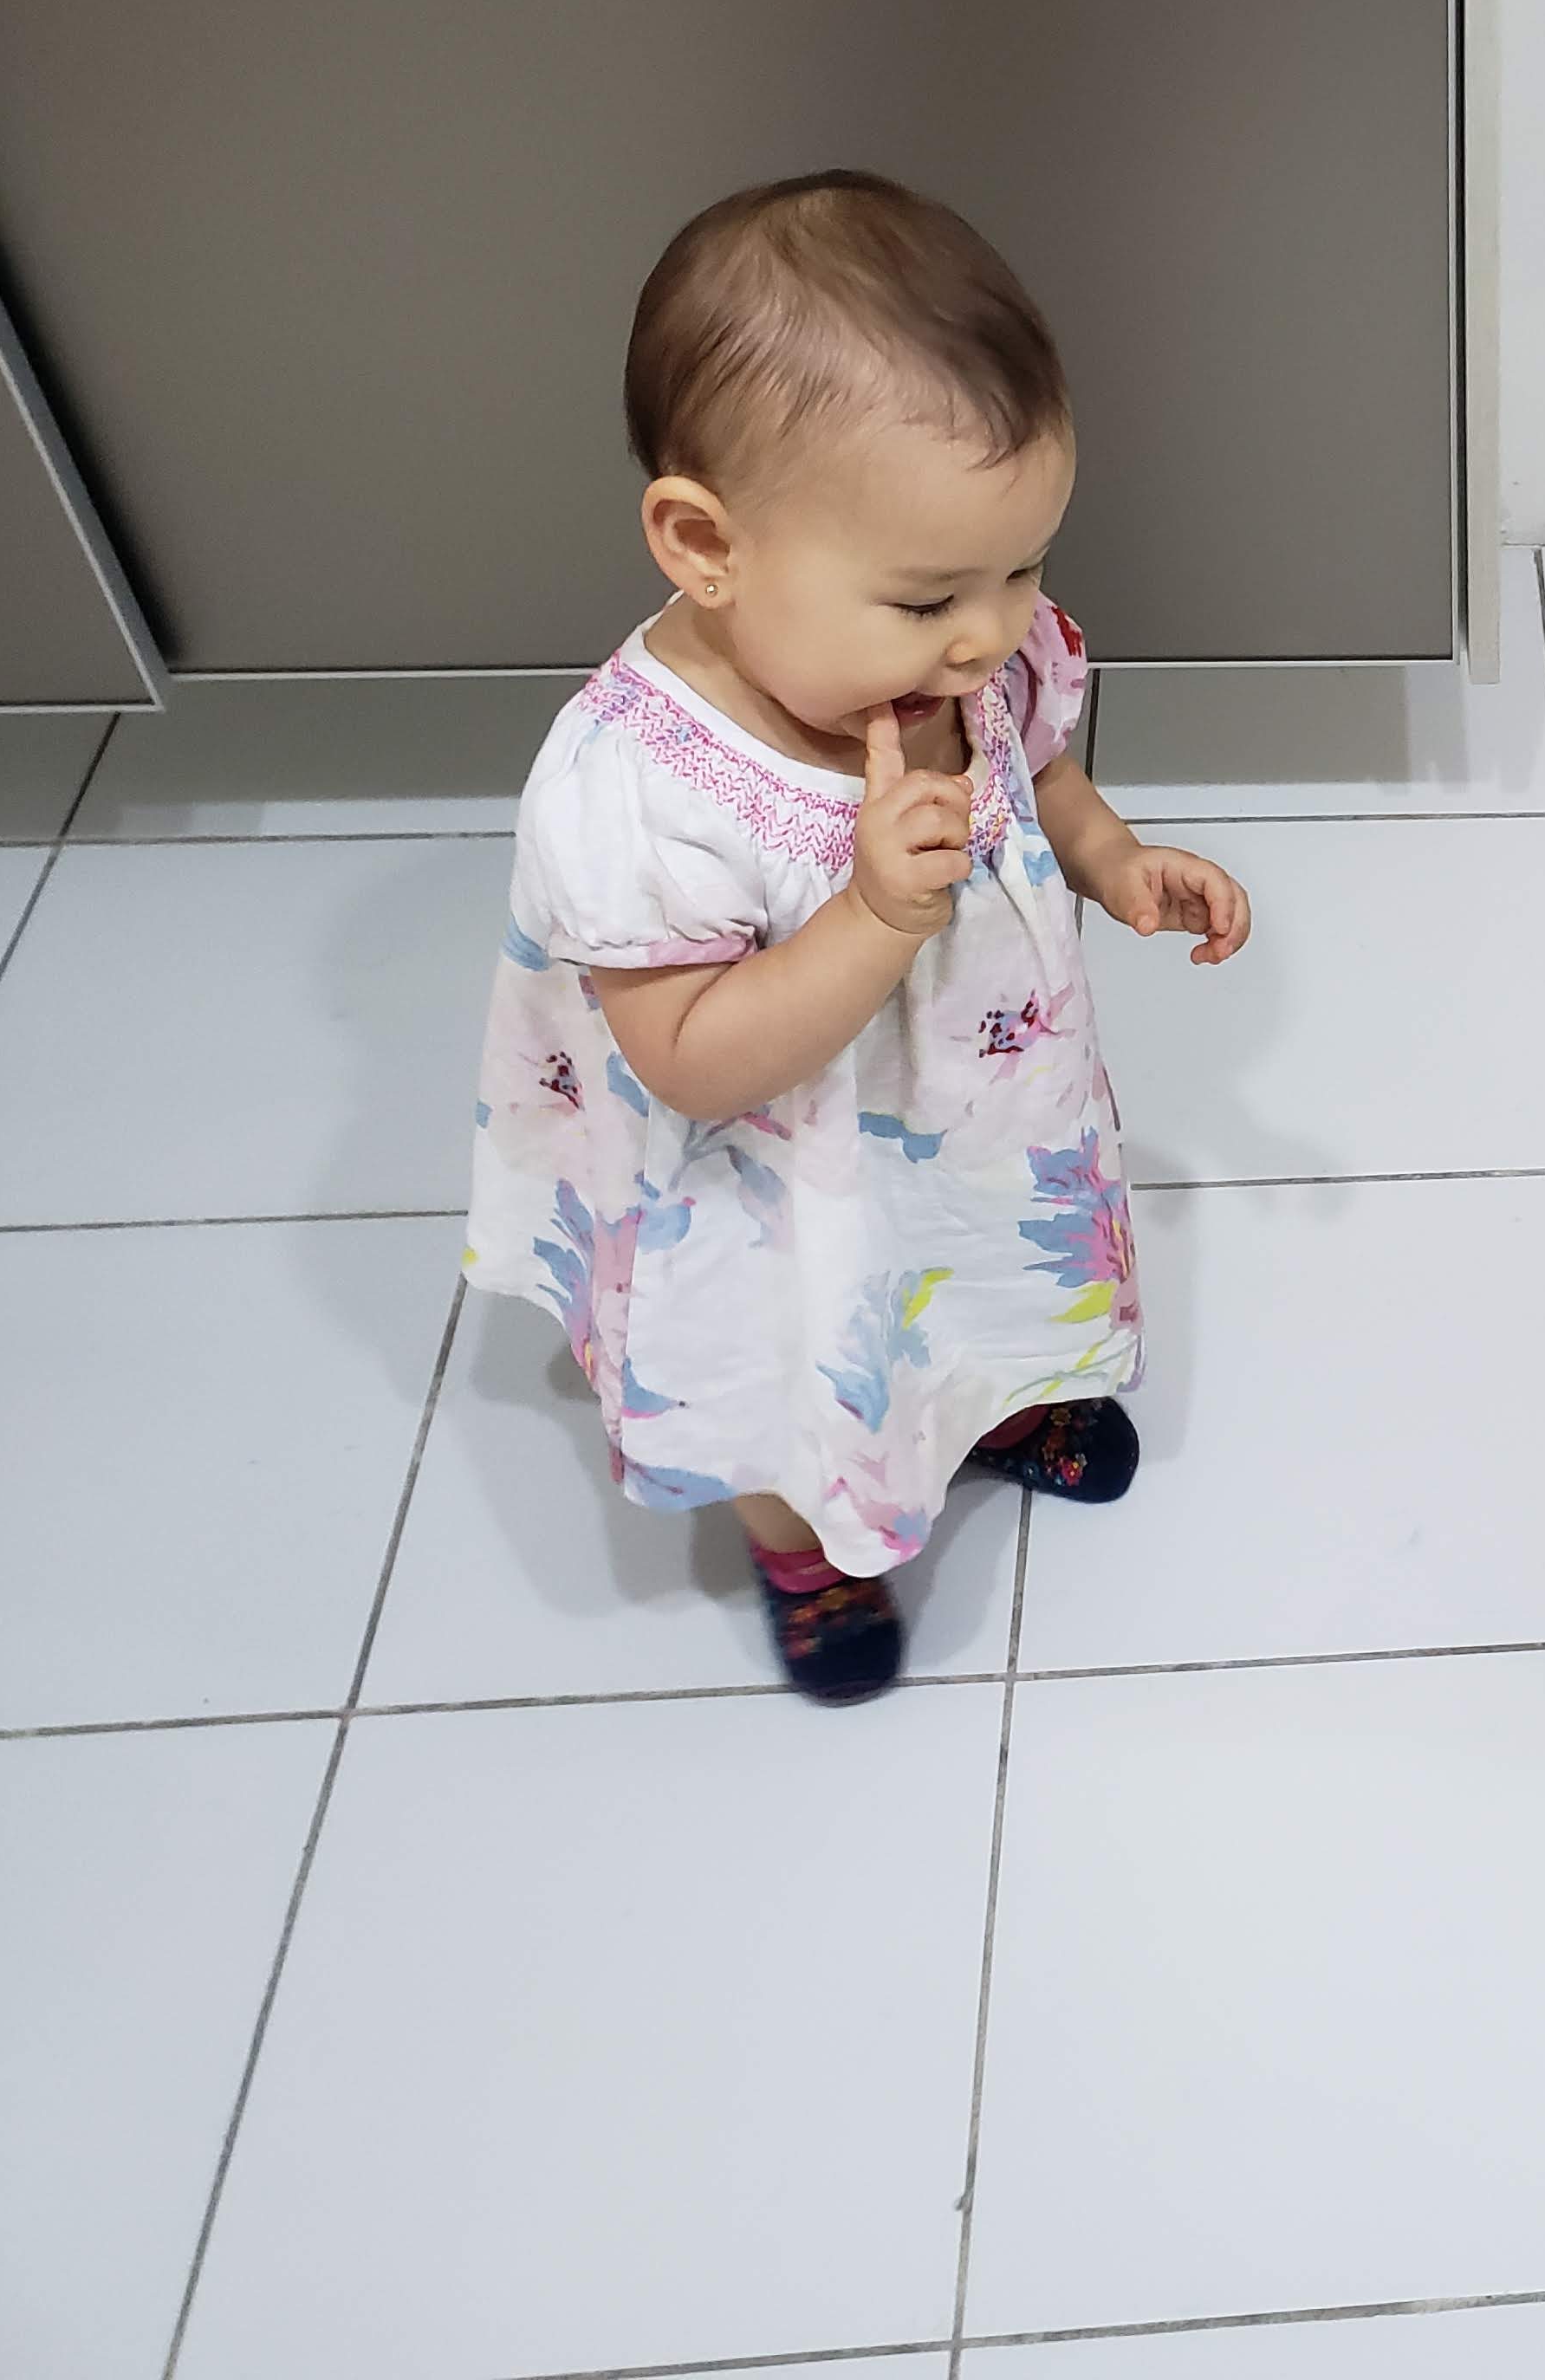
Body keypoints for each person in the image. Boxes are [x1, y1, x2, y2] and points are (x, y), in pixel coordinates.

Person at [464, 171, 1248, 1704]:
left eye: (1021, 568)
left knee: (971, 1261)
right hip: (777, 1176)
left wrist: (1115, 861)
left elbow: (1048, 770)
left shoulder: (972, 655)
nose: (990, 630)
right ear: (706, 544)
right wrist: (877, 913)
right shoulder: (642, 793)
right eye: (928, 595)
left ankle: (998, 1403)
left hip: (968, 1111)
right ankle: (804, 1545)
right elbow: (690, 1060)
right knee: (794, 1353)